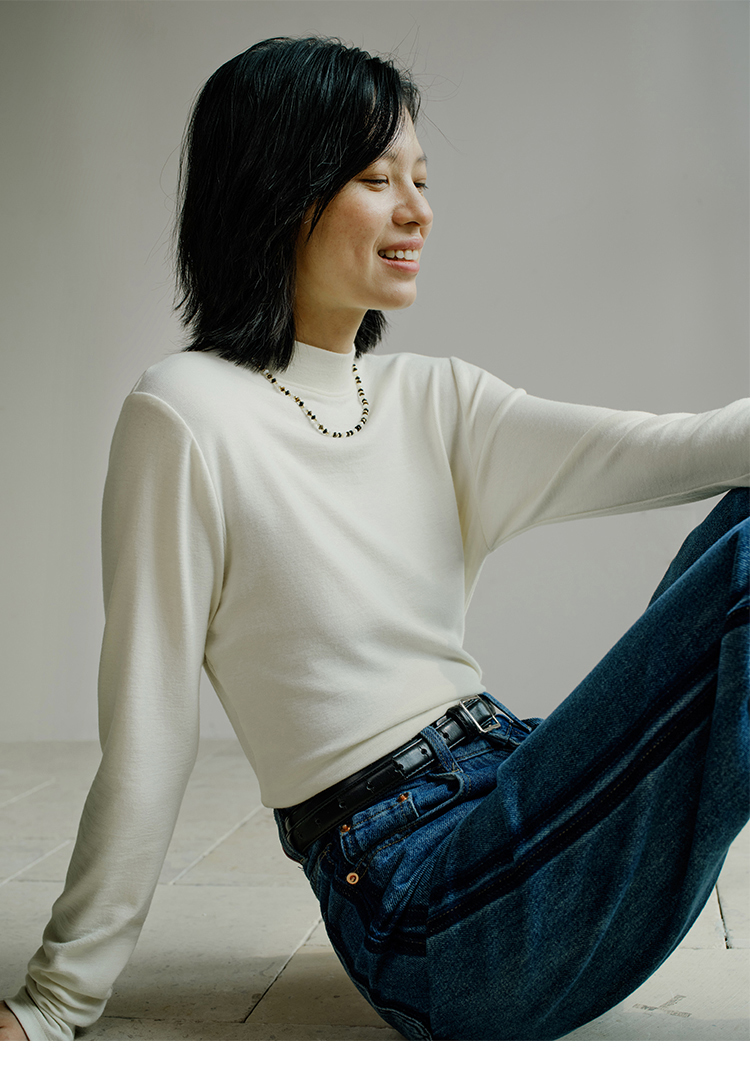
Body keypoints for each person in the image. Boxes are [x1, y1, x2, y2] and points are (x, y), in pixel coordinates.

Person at [1, 36, 748, 1042]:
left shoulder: (436, 400)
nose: (417, 210)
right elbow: (150, 731)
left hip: (515, 793)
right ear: (280, 192)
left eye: (421, 179)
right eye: (375, 178)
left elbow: (688, 448)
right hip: (430, 904)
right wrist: (55, 1001)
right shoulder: (185, 415)